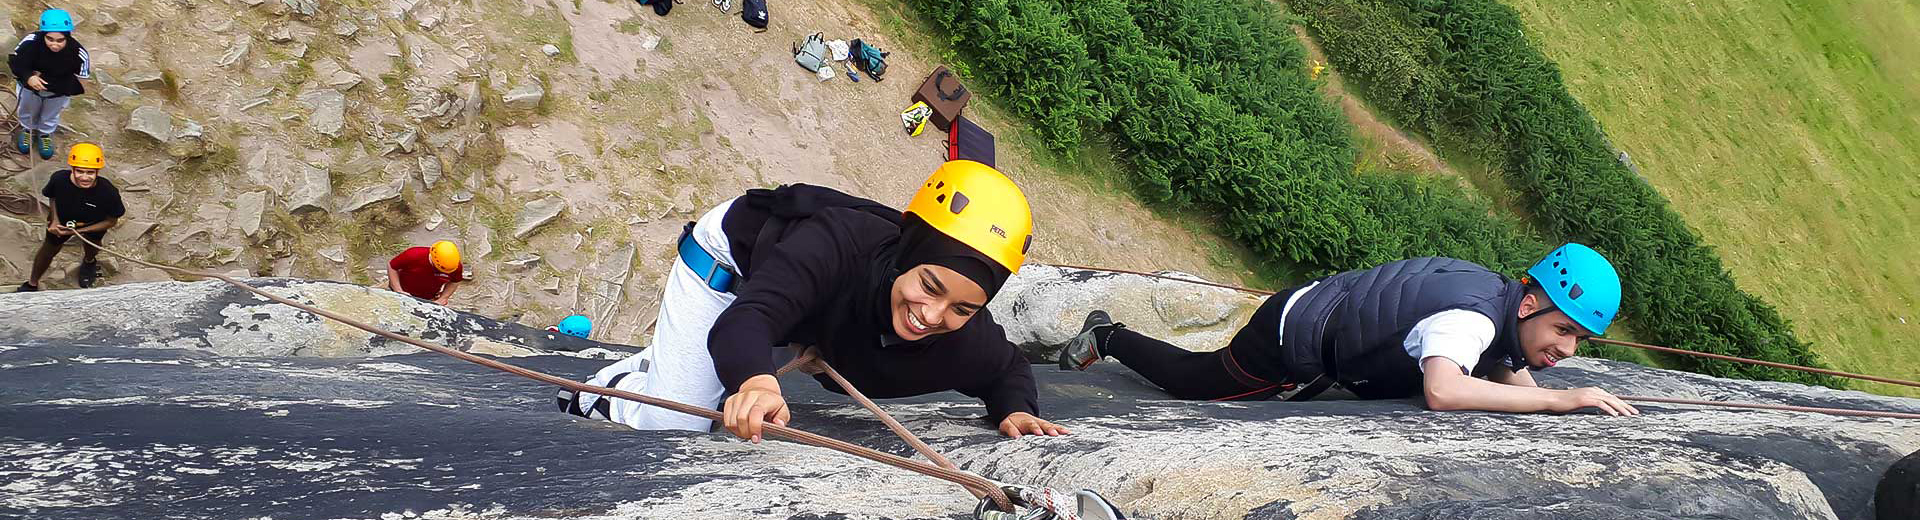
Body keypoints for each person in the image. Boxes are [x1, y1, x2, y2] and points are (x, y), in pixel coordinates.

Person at [559, 161, 1070, 441]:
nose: (933, 316)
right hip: (734, 269)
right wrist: (756, 379)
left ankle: (671, 360)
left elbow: (1006, 367)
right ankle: (605, 387)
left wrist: (1015, 409)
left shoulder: (963, 335)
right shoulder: (838, 244)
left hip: (803, 311)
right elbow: (748, 320)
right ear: (906, 255)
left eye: (964, 308)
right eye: (930, 286)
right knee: (679, 420)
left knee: (725, 376)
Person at [1059, 244, 1642, 416]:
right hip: (1291, 337)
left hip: (1318, 310)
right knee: (1196, 383)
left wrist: (1550, 395)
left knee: (1202, 375)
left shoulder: (1498, 299)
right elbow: (1444, 390)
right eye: (1563, 331)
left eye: (1578, 342)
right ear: (1529, 303)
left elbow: (1503, 366)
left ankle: (1108, 335)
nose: (1565, 350)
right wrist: (1565, 401)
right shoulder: (1471, 318)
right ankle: (1106, 336)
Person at [17, 143, 120, 292]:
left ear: (97, 171)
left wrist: (79, 231)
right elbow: (52, 196)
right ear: (72, 169)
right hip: (63, 222)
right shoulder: (59, 180)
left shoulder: (108, 192)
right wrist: (55, 220)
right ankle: (32, 283)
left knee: (92, 245)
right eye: (80, 171)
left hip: (93, 223)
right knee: (48, 250)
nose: (85, 177)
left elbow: (111, 221)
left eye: (90, 172)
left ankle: (89, 261)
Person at [8, 9, 91, 160]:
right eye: (50, 39)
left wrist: (56, 85)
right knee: (27, 110)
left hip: (57, 93)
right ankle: (27, 129)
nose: (54, 44)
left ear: (67, 37)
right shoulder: (31, 42)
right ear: (43, 34)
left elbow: (82, 80)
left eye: (60, 40)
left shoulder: (78, 53)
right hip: (29, 89)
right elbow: (16, 62)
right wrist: (29, 77)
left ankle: (45, 133)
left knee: (50, 115)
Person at [382, 241, 464, 305]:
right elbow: (392, 266)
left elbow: (455, 281)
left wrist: (443, 298)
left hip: (428, 298)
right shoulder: (413, 255)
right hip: (402, 291)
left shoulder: (454, 266)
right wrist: (398, 290)